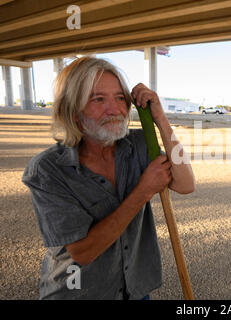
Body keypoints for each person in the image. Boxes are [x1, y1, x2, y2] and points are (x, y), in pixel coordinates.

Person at [22, 57, 195, 300]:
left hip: (134, 291)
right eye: (98, 99)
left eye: (120, 98)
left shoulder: (138, 145)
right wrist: (143, 191)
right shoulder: (48, 170)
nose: (114, 110)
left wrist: (161, 120)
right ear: (72, 110)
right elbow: (82, 252)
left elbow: (186, 184)